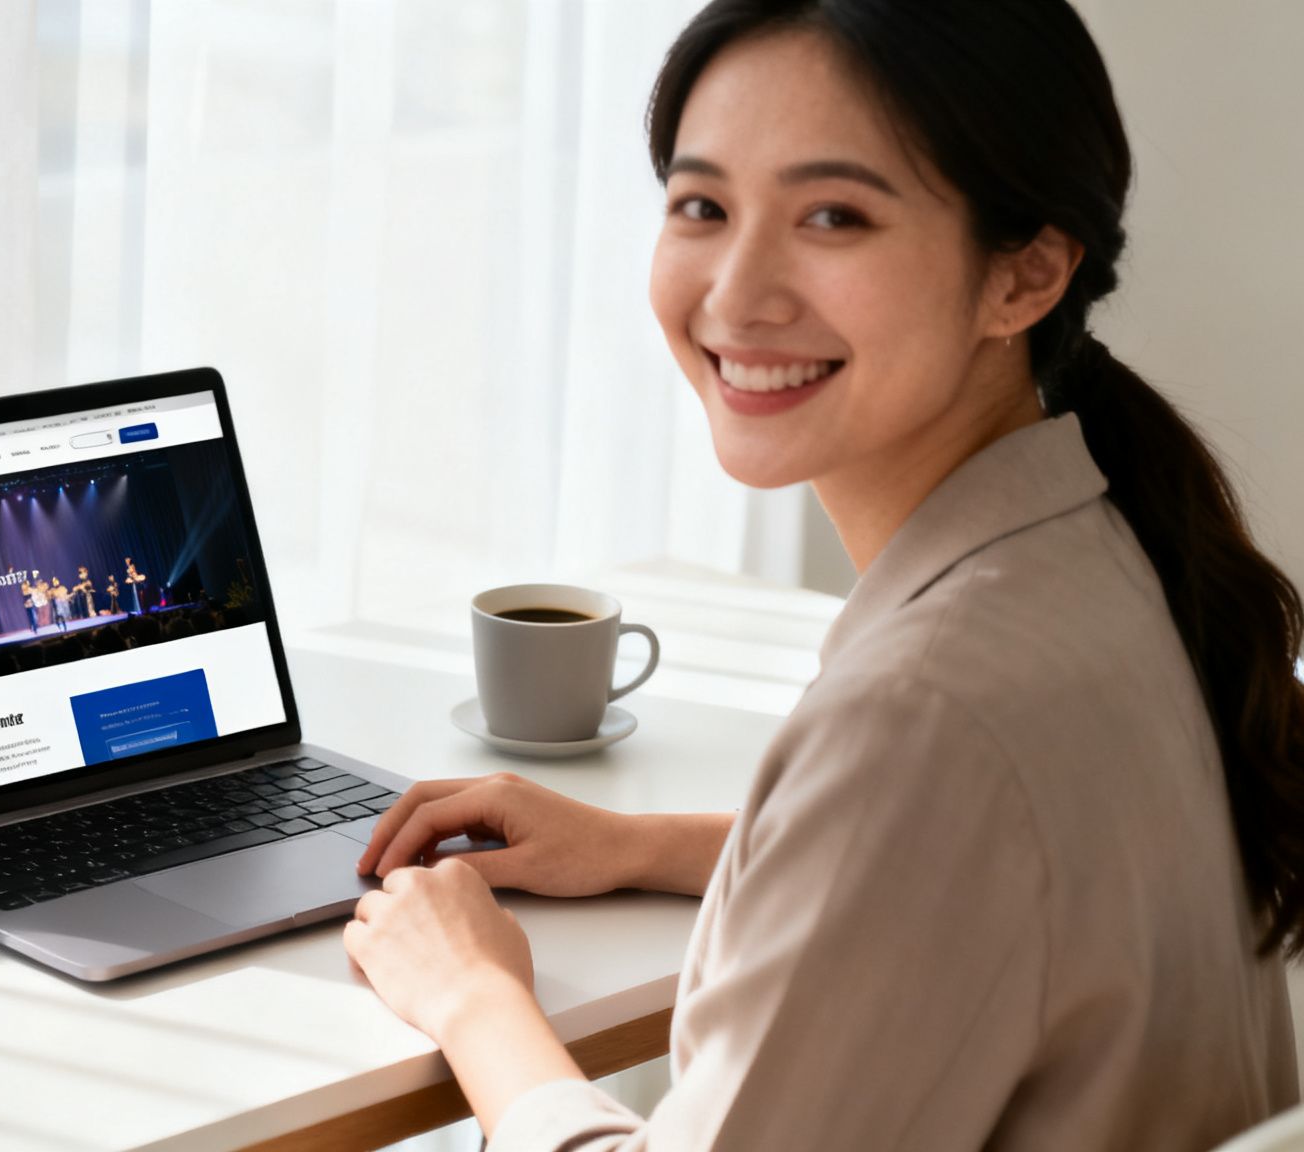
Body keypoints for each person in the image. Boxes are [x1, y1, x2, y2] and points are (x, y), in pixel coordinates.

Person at [343, 3, 1303, 1150]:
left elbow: (931, 793)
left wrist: (470, 994)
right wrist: (648, 845)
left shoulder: (923, 716)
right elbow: (966, 873)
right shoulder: (1106, 558)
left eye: (833, 216)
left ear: (1025, 276)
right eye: (702, 206)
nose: (737, 294)